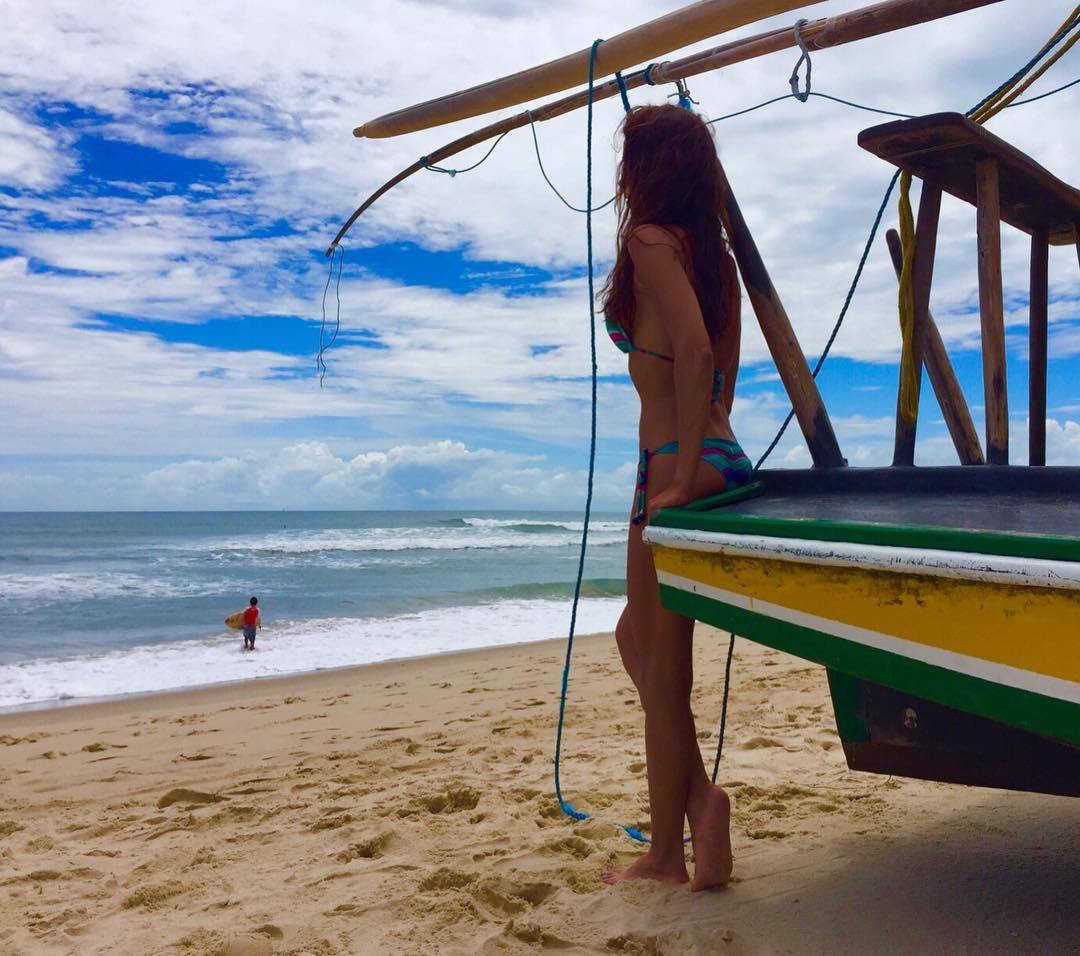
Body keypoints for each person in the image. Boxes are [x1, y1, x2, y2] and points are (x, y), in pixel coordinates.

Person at [600, 105, 751, 890]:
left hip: (673, 463)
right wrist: (705, 462)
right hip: (718, 453)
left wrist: (683, 477)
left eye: (629, 158)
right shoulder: (715, 258)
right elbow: (724, 371)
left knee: (662, 676)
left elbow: (693, 355)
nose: (621, 174)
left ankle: (667, 854)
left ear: (648, 168)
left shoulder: (650, 243)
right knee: (640, 643)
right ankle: (696, 801)